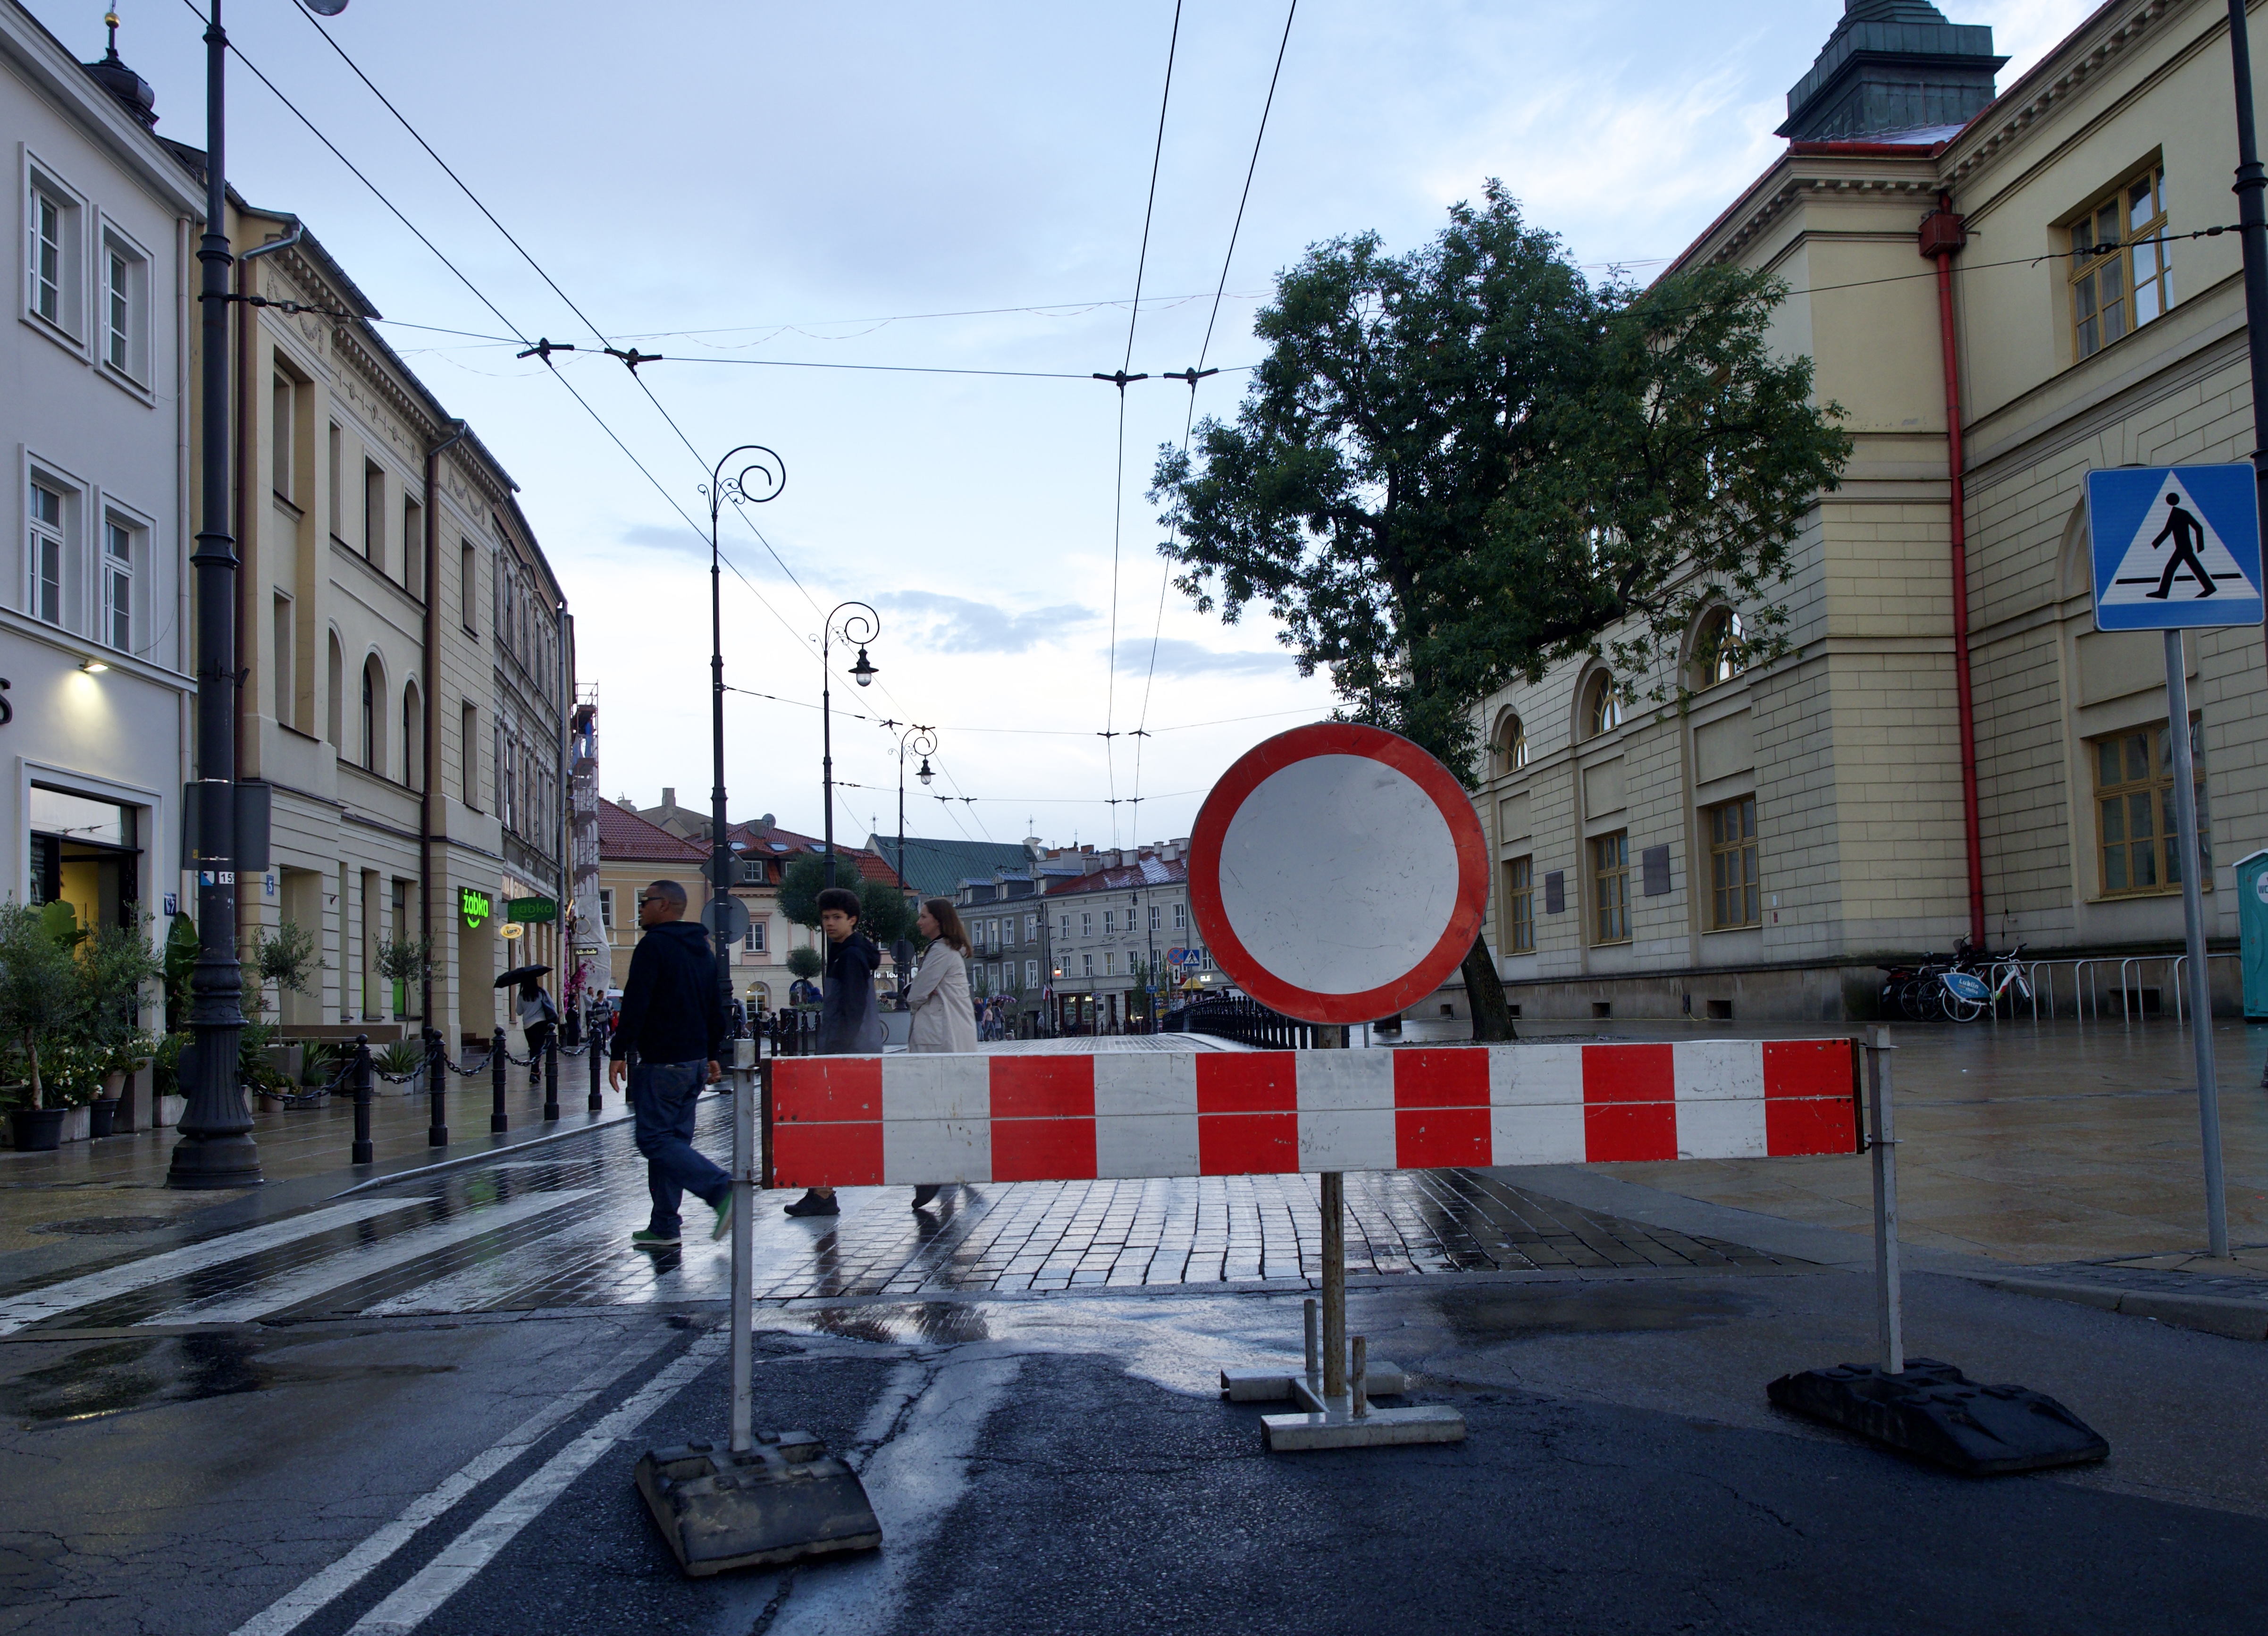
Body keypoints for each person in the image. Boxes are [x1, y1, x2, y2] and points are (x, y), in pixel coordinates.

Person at [607, 879, 731, 1248]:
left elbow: (636, 1002)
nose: (641, 908)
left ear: (665, 906)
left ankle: (719, 1188)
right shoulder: (702, 950)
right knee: (673, 1143)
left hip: (663, 1061)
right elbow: (716, 1007)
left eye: (646, 901)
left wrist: (618, 1050)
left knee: (654, 1139)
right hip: (693, 1062)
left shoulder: (653, 946)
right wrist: (710, 1052)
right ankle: (664, 1225)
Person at [782, 885, 886, 1218]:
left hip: (847, 1055)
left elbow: (852, 1010)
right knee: (830, 1125)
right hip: (850, 1053)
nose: (829, 923)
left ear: (852, 920)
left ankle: (823, 1195)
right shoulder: (846, 952)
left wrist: (837, 1056)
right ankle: (822, 1193)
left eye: (837, 917)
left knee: (829, 1125)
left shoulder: (851, 956)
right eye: (826, 917)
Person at [903, 897, 979, 1211]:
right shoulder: (949, 951)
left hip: (940, 1039)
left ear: (938, 920)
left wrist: (912, 993)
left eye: (923, 917)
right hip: (950, 1038)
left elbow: (918, 992)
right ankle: (956, 1165)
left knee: (933, 1105)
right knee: (948, 1106)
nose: (919, 922)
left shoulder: (941, 951)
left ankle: (934, 1172)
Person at [516, 976, 559, 1088]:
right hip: (541, 1023)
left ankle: (535, 1071)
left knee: (533, 1048)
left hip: (528, 1026)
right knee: (537, 1048)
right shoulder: (542, 992)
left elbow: (519, 1011)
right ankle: (534, 1073)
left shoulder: (521, 995)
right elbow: (551, 1004)